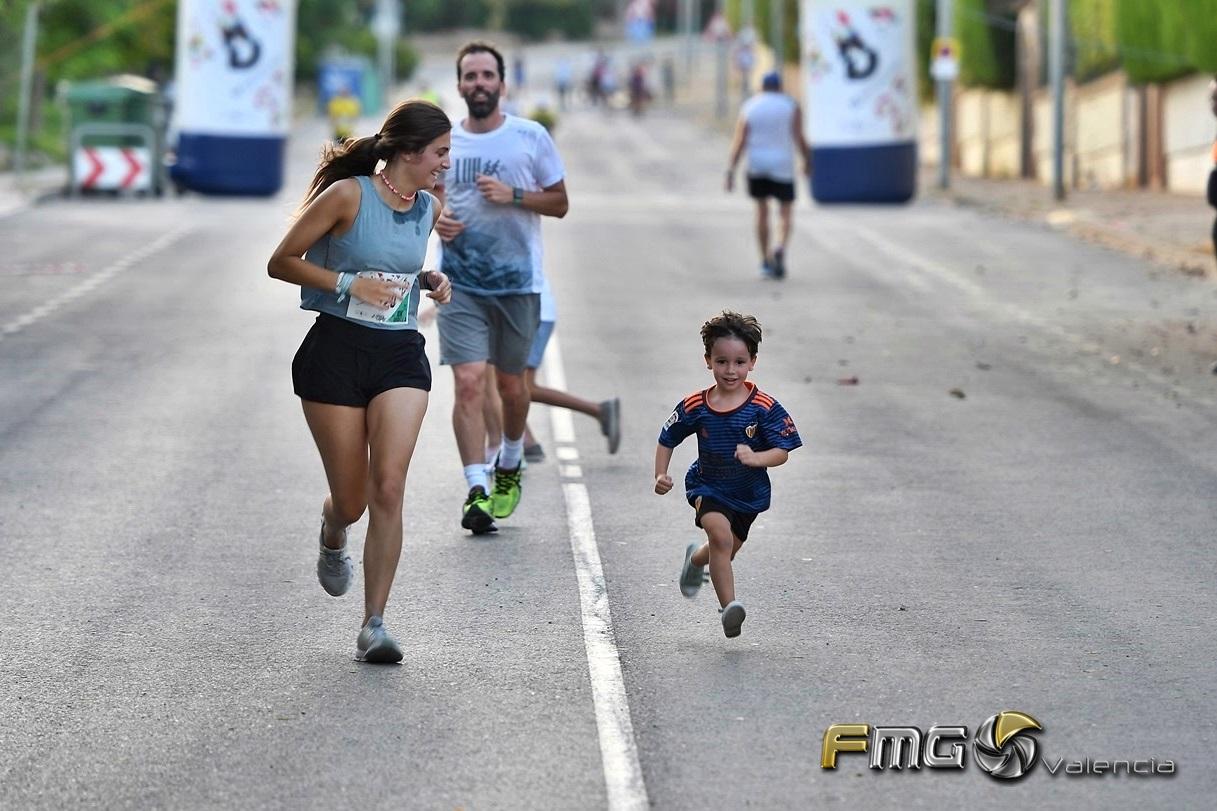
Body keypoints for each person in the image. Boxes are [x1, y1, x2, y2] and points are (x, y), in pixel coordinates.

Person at [267, 99, 454, 663]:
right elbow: (282, 261)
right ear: (409, 152)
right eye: (440, 153)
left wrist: (429, 279)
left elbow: (399, 267)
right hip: (336, 352)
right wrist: (349, 284)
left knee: (388, 486)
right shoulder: (347, 195)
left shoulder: (429, 207)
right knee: (352, 502)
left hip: (399, 355)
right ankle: (333, 529)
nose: (446, 164)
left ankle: (375, 623)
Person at [434, 41, 569, 535]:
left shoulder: (529, 137)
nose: (479, 84)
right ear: (459, 85)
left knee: (512, 388)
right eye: (470, 76)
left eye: (487, 75)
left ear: (502, 84)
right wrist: (436, 218)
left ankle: (509, 460)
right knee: (469, 382)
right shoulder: (445, 142)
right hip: (460, 285)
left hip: (516, 285)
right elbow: (425, 196)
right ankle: (476, 487)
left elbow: (559, 203)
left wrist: (514, 195)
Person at [654, 311, 802, 638]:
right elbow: (667, 438)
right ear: (708, 360)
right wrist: (660, 474)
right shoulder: (695, 405)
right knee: (720, 538)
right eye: (722, 361)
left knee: (725, 549)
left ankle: (696, 561)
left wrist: (756, 457)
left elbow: (782, 451)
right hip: (707, 485)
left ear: (753, 362)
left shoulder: (764, 407)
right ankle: (729, 609)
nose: (730, 370)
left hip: (748, 494)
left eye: (739, 362)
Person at [725, 71, 810, 280]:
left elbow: (740, 140)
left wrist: (731, 169)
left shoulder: (750, 106)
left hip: (757, 164)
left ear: (761, 86)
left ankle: (764, 260)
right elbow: (798, 136)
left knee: (762, 211)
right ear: (780, 87)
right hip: (783, 164)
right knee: (785, 211)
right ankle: (780, 247)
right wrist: (807, 160)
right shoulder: (790, 105)